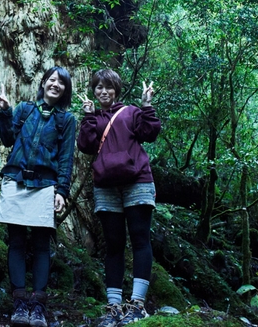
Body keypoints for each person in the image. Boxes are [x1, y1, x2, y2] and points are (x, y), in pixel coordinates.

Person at [0, 66, 77, 327]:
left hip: (45, 184)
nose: (55, 85)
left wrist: (62, 191)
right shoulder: (25, 110)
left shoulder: (66, 119)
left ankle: (37, 305)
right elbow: (7, 140)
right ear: (43, 82)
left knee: (40, 245)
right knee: (16, 242)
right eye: (52, 80)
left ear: (65, 90)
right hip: (16, 180)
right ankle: (19, 302)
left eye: (61, 83)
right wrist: (5, 111)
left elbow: (66, 158)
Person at [77, 68, 161, 327]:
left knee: (139, 239)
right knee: (113, 244)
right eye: (99, 87)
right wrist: (89, 117)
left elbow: (151, 133)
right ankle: (113, 307)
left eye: (108, 87)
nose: (103, 91)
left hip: (137, 181)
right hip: (106, 186)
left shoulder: (131, 112)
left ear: (117, 89)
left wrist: (147, 105)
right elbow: (86, 145)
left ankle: (137, 305)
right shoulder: (94, 117)